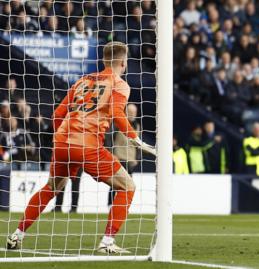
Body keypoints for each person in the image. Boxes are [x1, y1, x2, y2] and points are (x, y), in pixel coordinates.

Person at [6, 42, 156, 253]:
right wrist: (135, 138)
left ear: (104, 60)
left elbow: (58, 115)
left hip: (62, 142)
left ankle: (17, 235)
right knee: (128, 186)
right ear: (123, 62)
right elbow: (116, 112)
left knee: (50, 188)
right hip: (87, 144)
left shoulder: (82, 81)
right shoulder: (119, 84)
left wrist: (61, 140)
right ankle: (107, 242)